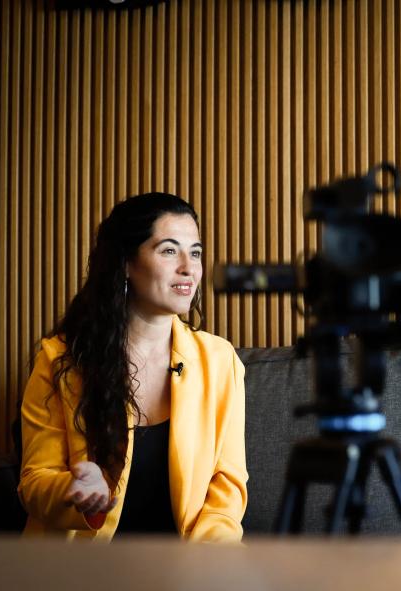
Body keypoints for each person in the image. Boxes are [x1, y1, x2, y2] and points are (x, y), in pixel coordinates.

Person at [18, 193, 247, 541]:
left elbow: (227, 487)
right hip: (84, 570)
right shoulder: (60, 358)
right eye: (169, 250)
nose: (189, 267)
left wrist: (207, 565)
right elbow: (35, 481)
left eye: (195, 252)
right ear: (126, 262)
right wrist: (76, 490)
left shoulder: (220, 359)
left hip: (187, 569)